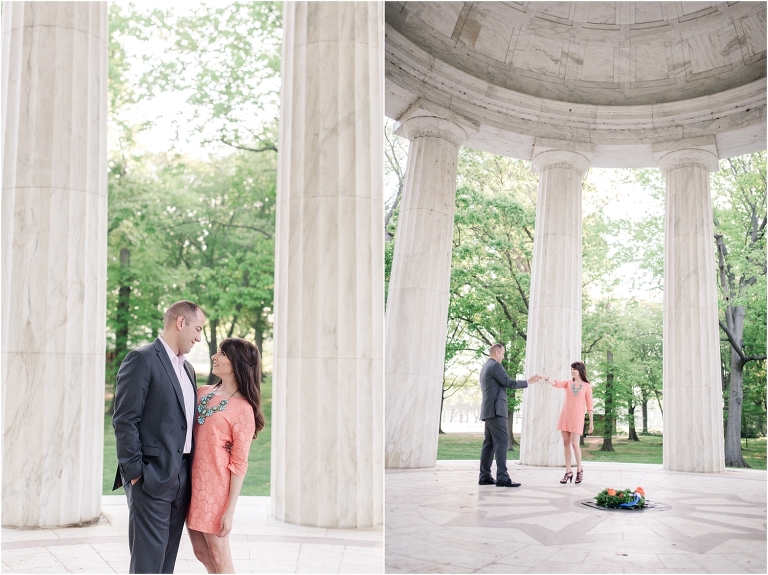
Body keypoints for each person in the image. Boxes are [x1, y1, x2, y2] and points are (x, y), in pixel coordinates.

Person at [113, 300, 205, 573]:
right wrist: (136, 473)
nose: (199, 337)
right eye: (197, 329)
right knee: (147, 566)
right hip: (150, 479)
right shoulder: (141, 359)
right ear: (180, 323)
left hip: (181, 479)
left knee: (166, 564)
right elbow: (125, 419)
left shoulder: (188, 370)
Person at [187, 337, 266, 574]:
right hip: (191, 486)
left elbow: (239, 463)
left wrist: (229, 511)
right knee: (201, 552)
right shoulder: (202, 392)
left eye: (222, 353)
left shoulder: (243, 409)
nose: (214, 356)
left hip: (216, 491)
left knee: (219, 557)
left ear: (237, 363)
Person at [478, 343, 541, 487]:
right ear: (496, 354)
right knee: (502, 442)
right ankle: (502, 477)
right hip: (496, 410)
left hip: (488, 410)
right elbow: (509, 383)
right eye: (503, 354)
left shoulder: (485, 367)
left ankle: (485, 476)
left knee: (489, 444)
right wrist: (528, 382)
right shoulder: (495, 366)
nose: (503, 356)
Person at [541, 361, 594, 484]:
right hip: (565, 416)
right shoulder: (568, 383)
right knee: (566, 443)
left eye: (573, 369)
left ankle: (579, 470)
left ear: (579, 370)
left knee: (575, 444)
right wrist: (546, 378)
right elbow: (556, 383)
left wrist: (591, 423)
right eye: (571, 369)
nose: (572, 371)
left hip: (577, 417)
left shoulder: (587, 386)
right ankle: (568, 472)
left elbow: (590, 406)